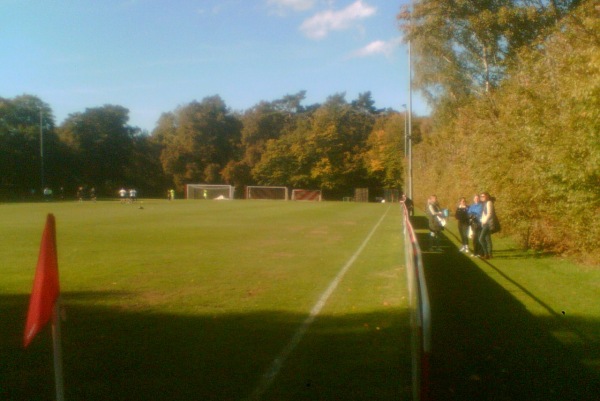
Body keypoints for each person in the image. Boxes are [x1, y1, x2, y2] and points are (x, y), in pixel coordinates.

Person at [479, 192, 496, 259]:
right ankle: (489, 254)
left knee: (481, 239)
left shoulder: (489, 203)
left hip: (488, 223)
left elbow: (489, 213)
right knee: (487, 239)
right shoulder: (485, 203)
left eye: (482, 196)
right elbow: (484, 213)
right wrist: (482, 221)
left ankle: (486, 253)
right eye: (481, 196)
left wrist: (484, 221)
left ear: (486, 196)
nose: (481, 197)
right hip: (485, 223)